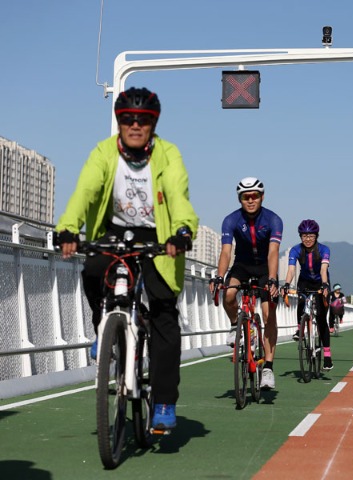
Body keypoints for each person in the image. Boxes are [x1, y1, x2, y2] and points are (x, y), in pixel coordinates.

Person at [55, 87, 198, 431]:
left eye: (143, 120)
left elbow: (178, 196)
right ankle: (102, 327)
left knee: (164, 310)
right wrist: (68, 229)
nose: (135, 126)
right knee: (92, 271)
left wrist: (181, 232)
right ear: (119, 123)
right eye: (127, 119)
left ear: (153, 124)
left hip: (158, 234)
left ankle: (163, 400)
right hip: (114, 230)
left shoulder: (168, 154)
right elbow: (85, 191)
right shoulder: (104, 153)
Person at [211, 177, 282, 390]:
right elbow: (226, 251)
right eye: (246, 197)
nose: (250, 200)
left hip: (264, 268)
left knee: (269, 314)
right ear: (240, 199)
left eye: (255, 196)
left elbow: (273, 252)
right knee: (229, 295)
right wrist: (218, 276)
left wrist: (271, 279)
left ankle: (268, 367)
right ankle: (236, 324)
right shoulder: (230, 220)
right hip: (242, 265)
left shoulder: (273, 219)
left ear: (262, 197)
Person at [283, 219, 334, 370]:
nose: (307, 239)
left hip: (320, 282)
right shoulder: (296, 250)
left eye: (311, 236)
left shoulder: (324, 249)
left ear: (316, 236)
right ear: (300, 237)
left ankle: (327, 356)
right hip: (304, 281)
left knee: (321, 318)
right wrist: (286, 285)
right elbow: (292, 270)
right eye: (304, 236)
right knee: (300, 301)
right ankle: (300, 328)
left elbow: (323, 269)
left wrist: (325, 285)